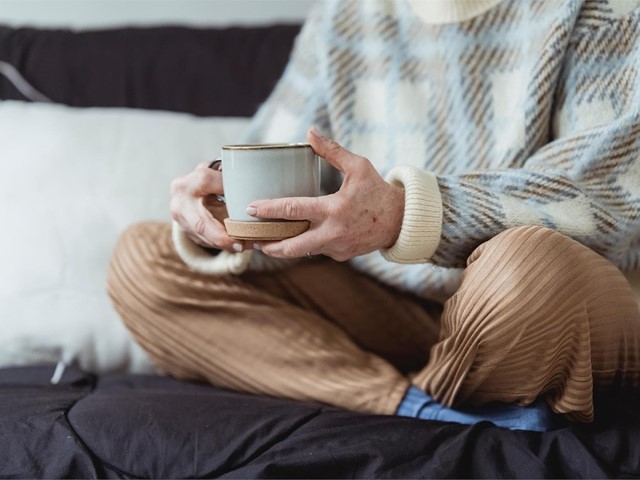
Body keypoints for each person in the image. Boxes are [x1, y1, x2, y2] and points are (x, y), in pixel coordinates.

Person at [107, 0, 640, 431]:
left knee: (528, 269)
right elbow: (267, 166)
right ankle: (418, 408)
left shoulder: (599, 9)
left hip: (526, 310)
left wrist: (402, 214)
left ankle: (412, 396)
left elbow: (602, 204)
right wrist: (213, 216)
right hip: (382, 309)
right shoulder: (343, 16)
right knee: (142, 259)